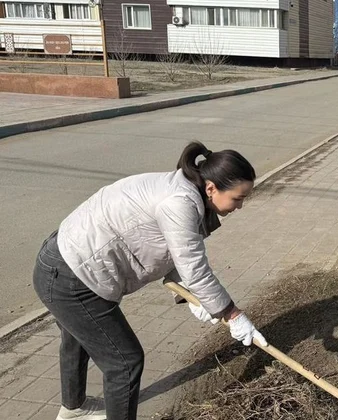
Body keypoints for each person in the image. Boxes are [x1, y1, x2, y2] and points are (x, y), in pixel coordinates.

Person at [34, 141, 266, 420]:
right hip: (71, 277)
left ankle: (74, 410)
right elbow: (193, 265)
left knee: (79, 336)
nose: (240, 207)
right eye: (238, 198)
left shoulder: (185, 192)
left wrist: (188, 293)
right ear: (212, 188)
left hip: (65, 262)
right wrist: (231, 313)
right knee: (124, 362)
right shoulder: (179, 203)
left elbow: (173, 253)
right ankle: (77, 409)